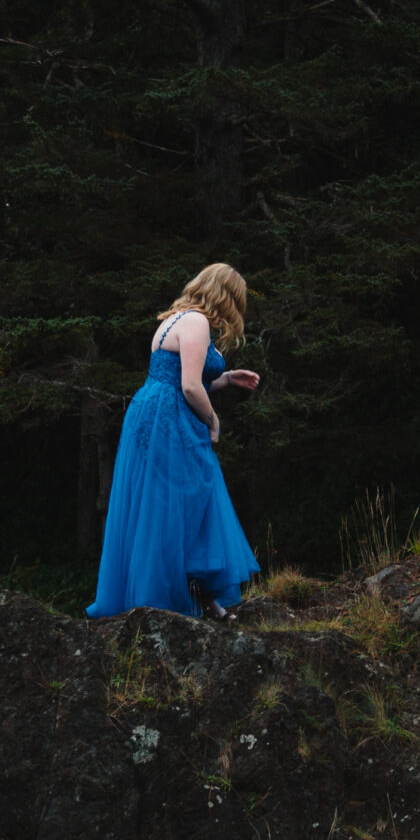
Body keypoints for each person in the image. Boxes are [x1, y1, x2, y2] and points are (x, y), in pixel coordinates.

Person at [86, 263, 263, 619]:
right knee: (188, 500)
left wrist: (227, 378)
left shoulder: (174, 319)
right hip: (169, 418)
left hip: (152, 411)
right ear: (225, 296)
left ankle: (202, 598)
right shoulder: (196, 322)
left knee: (167, 505)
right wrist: (213, 419)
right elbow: (189, 387)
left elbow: (182, 377)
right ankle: (188, 599)